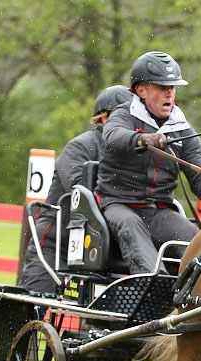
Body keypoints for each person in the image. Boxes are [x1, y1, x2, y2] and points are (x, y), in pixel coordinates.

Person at [95, 51, 201, 274]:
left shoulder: (181, 126)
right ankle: (155, 287)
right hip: (119, 205)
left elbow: (197, 167)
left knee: (199, 245)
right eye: (162, 88)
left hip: (159, 211)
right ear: (142, 90)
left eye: (172, 88)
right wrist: (143, 139)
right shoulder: (123, 114)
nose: (169, 94)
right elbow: (112, 136)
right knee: (133, 230)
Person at [18, 85, 132, 293]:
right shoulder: (80, 146)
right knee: (35, 301)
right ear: (105, 119)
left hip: (99, 245)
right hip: (58, 240)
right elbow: (82, 190)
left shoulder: (127, 153)